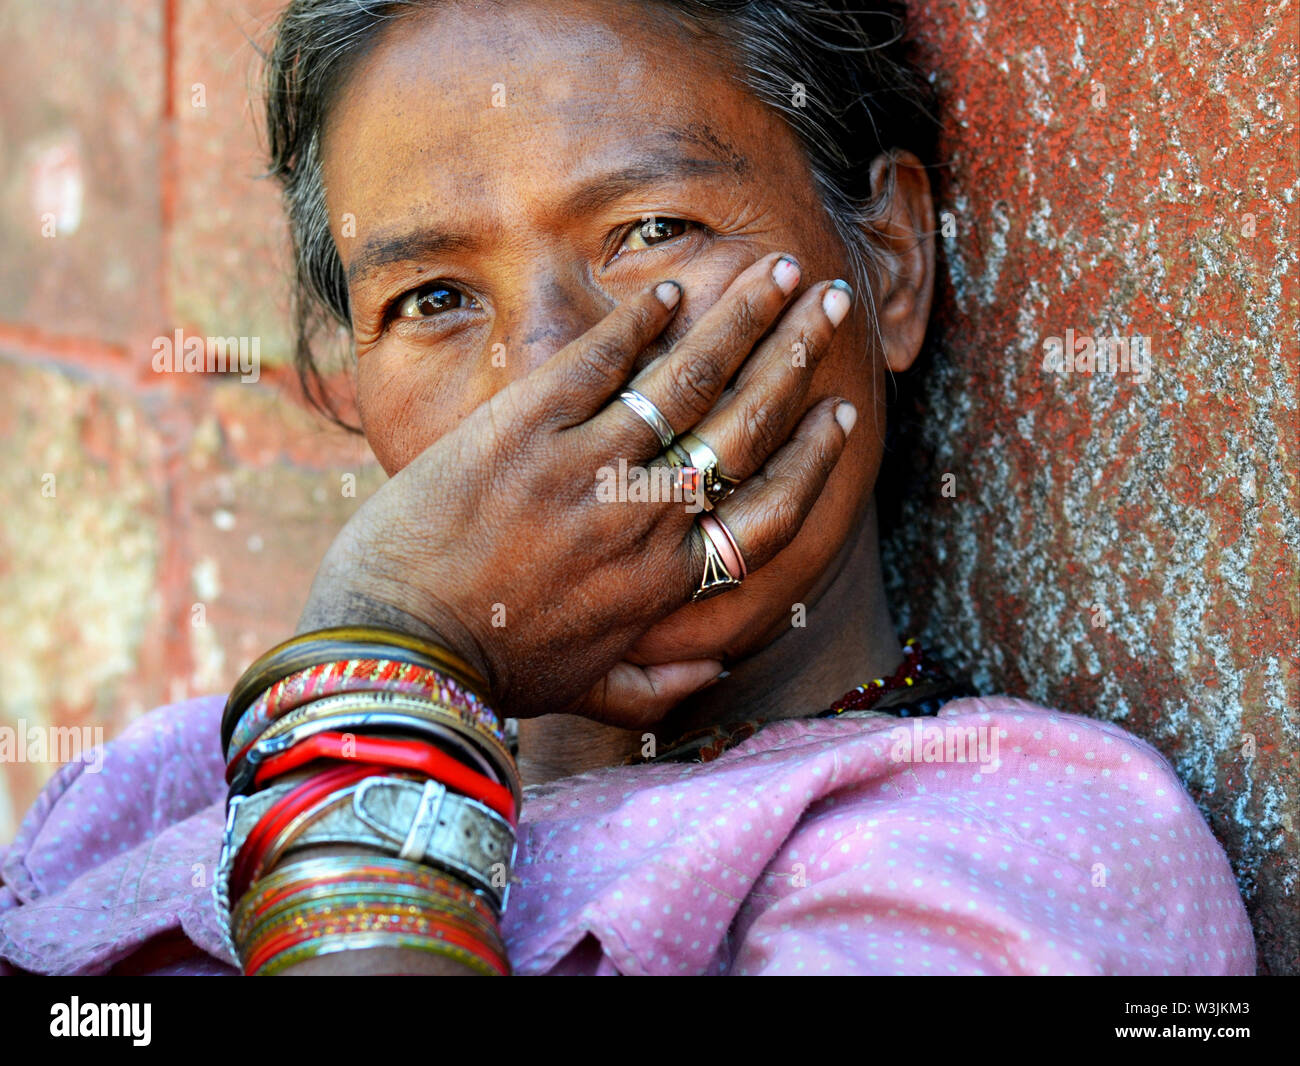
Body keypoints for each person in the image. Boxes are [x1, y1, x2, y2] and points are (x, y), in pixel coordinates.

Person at [0, 0, 1254, 976]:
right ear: (349, 384)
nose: (543, 371)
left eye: (652, 232)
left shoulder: (1038, 850)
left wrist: (382, 666)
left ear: (888, 262)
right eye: (431, 299)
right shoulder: (154, 792)